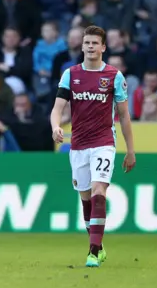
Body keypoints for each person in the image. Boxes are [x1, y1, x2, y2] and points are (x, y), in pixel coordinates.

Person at [49, 25, 136, 268]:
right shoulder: (70, 74)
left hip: (103, 142)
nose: (90, 47)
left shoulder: (114, 77)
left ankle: (93, 251)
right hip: (78, 144)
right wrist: (56, 127)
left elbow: (124, 116)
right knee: (86, 198)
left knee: (99, 193)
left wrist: (130, 150)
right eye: (87, 43)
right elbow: (57, 108)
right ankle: (98, 244)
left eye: (94, 43)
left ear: (103, 47)